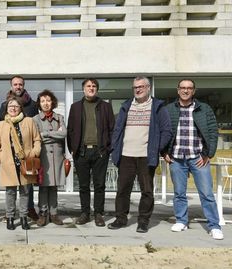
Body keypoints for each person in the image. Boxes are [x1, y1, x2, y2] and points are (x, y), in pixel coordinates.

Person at [108, 76, 171, 233]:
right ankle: (121, 219)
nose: (138, 89)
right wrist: (114, 147)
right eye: (135, 87)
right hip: (126, 155)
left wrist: (156, 148)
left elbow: (167, 131)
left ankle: (143, 221)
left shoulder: (157, 107)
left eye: (141, 86)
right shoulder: (126, 106)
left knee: (147, 191)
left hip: (146, 156)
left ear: (148, 88)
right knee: (122, 190)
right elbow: (118, 129)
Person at [164, 79, 224, 240]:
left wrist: (208, 154)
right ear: (178, 90)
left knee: (206, 194)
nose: (185, 91)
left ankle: (214, 225)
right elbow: (163, 131)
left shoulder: (204, 109)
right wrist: (164, 152)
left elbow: (212, 132)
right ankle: (181, 221)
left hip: (198, 157)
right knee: (179, 193)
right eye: (182, 88)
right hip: (176, 158)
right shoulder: (169, 109)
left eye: (189, 88)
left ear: (194, 91)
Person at [67, 79, 115, 227]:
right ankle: (85, 213)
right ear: (83, 89)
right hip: (81, 152)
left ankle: (98, 214)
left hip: (100, 152)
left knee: (100, 185)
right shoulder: (75, 107)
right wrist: (72, 149)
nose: (91, 88)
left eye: (94, 86)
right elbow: (70, 130)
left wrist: (108, 149)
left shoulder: (105, 106)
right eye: (88, 86)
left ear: (97, 89)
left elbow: (112, 128)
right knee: (83, 185)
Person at [0, 96, 41, 230]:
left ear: (21, 108)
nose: (13, 108)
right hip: (8, 162)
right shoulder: (2, 124)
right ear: (6, 109)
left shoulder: (29, 121)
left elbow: (37, 140)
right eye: (10, 106)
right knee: (10, 192)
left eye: (16, 106)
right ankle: (10, 218)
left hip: (26, 162)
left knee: (25, 191)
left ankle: (24, 217)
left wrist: (34, 153)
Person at [0, 75, 39, 221]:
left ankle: (29, 210)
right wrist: (1, 154)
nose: (18, 87)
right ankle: (10, 214)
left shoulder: (33, 105)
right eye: (15, 84)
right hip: (10, 155)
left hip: (26, 155)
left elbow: (36, 130)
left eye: (20, 84)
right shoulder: (4, 105)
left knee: (27, 187)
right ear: (11, 86)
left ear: (23, 85)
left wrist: (33, 153)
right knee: (10, 188)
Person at [32, 90, 66, 226]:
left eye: (48, 100)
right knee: (43, 186)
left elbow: (63, 133)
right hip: (43, 156)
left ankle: (54, 213)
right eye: (43, 101)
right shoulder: (35, 119)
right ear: (39, 104)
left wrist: (45, 134)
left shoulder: (59, 117)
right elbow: (37, 137)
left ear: (52, 102)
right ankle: (43, 213)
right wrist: (52, 134)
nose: (46, 103)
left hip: (57, 156)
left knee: (54, 187)